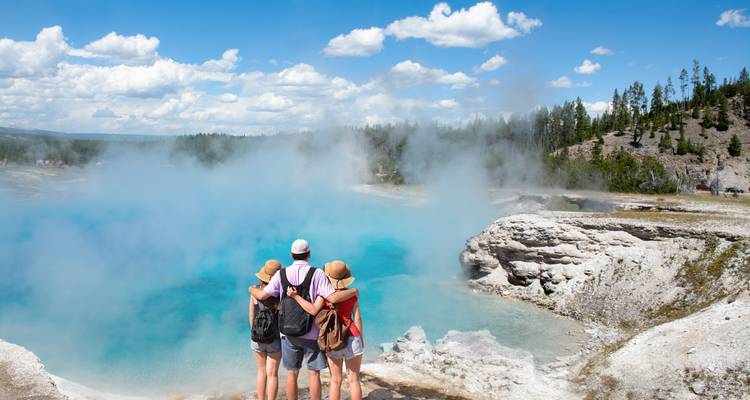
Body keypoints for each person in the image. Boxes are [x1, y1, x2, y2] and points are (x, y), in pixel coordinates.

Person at [249, 239, 358, 400]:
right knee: (314, 374)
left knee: (292, 374)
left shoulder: (281, 274)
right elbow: (333, 298)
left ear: (291, 255)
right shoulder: (318, 274)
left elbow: (262, 295)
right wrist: (353, 291)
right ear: (309, 254)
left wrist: (250, 288)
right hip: (312, 332)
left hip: (287, 333)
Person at [287, 260, 363, 400]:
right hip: (353, 336)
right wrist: (361, 340)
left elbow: (312, 310)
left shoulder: (323, 295)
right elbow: (357, 319)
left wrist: (295, 296)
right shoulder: (352, 295)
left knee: (335, 380)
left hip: (331, 339)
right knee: (354, 380)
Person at [249, 259, 283, 400]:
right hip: (274, 338)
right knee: (272, 374)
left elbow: (251, 315)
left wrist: (254, 332)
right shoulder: (279, 294)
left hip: (257, 337)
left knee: (261, 372)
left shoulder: (255, 292)